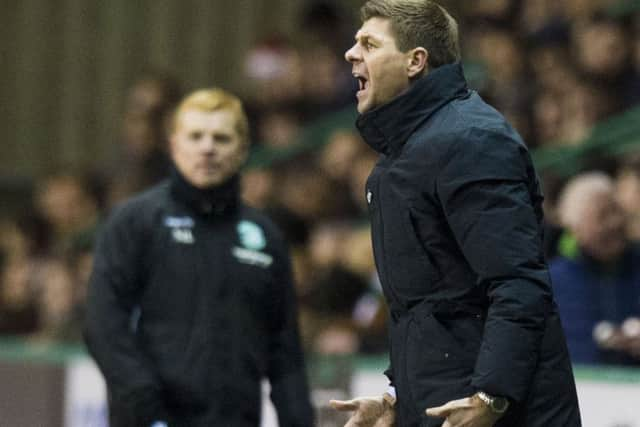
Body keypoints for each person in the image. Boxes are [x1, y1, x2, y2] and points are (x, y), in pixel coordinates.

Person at [331, 1, 581, 426]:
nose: (351, 54)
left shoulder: (471, 142)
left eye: (369, 44)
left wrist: (491, 396)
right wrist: (396, 399)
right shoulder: (397, 162)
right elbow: (424, 309)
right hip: (443, 404)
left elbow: (517, 284)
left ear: (415, 61)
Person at [84, 88, 314, 427]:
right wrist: (142, 402)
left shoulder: (265, 237)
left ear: (242, 149)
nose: (207, 148)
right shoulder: (135, 222)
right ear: (174, 144)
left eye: (221, 138)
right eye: (196, 136)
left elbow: (286, 355)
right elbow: (103, 323)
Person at [550, 172, 640, 365]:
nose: (614, 223)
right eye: (602, 216)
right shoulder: (552, 282)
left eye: (617, 211)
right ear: (575, 228)